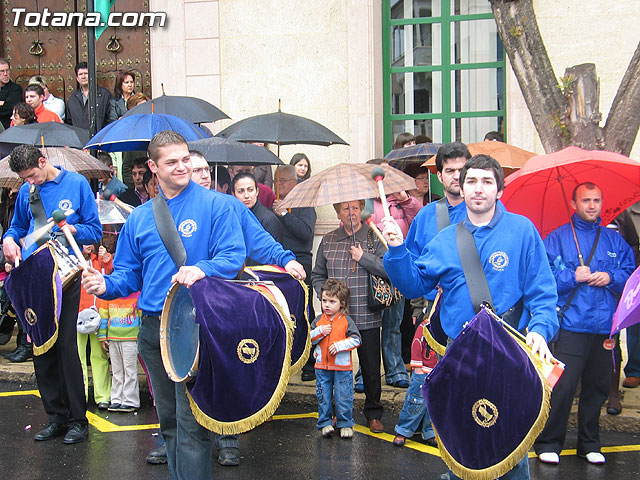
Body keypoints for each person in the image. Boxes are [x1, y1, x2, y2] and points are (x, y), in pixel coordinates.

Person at [81, 130, 246, 479]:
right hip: (153, 327)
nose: (182, 167)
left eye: (186, 159)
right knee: (168, 421)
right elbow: (128, 275)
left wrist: (202, 268)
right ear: (153, 167)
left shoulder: (217, 205)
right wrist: (105, 284)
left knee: (191, 424)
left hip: (197, 325)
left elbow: (233, 256)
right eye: (172, 162)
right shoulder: (140, 218)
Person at [382, 154, 559, 480]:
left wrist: (540, 329)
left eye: (487, 182)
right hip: (458, 355)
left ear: (499, 190)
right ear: (462, 189)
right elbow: (412, 284)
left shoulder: (522, 231)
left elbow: (542, 293)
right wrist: (396, 251)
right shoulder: (446, 240)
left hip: (509, 355)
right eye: (472, 181)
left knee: (510, 445)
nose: (479, 189)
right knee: (464, 439)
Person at [3, 144, 102, 444]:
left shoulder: (77, 184)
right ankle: (55, 417)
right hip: (36, 278)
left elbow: (94, 231)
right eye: (24, 178)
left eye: (32, 175)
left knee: (67, 349)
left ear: (43, 162)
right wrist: (8, 239)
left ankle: (77, 420)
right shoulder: (26, 192)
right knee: (40, 348)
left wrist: (69, 228)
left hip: (67, 276)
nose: (29, 182)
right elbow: (17, 227)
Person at [534, 182, 634, 466]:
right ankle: (549, 442)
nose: (592, 206)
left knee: (597, 388)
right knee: (562, 388)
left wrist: (611, 278)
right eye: (586, 200)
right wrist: (571, 277)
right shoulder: (556, 238)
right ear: (573, 204)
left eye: (597, 200)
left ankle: (590, 443)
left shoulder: (615, 240)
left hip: (605, 329)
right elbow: (543, 278)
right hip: (571, 326)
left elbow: (630, 275)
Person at [311, 200, 388, 434]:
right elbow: (317, 274)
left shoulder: (374, 237)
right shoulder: (328, 240)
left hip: (367, 314)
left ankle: (373, 413)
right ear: (337, 213)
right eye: (346, 208)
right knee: (334, 369)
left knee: (371, 368)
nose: (352, 213)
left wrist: (363, 257)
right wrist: (324, 297)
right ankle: (337, 413)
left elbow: (389, 269)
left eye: (356, 208)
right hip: (335, 320)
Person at [404, 142, 471, 332]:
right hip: (437, 309)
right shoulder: (425, 216)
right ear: (439, 176)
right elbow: (413, 265)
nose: (457, 176)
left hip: (479, 310)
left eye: (462, 169)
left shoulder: (486, 211)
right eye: (450, 170)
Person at [272, 165, 317, 381]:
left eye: (283, 181)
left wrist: (283, 214)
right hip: (278, 263)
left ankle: (310, 362)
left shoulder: (304, 202)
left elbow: (306, 233)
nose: (279, 186)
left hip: (300, 260)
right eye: (276, 182)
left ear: (295, 182)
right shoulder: (273, 204)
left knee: (303, 312)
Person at [310, 278, 361, 439]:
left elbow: (356, 340)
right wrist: (320, 331)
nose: (327, 305)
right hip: (321, 367)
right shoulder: (318, 321)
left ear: (342, 303)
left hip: (342, 368)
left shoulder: (346, 321)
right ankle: (324, 423)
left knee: (344, 396)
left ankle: (345, 423)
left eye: (332, 301)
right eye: (324, 300)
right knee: (323, 396)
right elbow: (309, 339)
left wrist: (340, 346)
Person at [77, 243, 113, 411]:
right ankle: (80, 395)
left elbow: (111, 273)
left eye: (90, 241)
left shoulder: (98, 259)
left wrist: (106, 259)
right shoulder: (72, 259)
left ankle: (103, 395)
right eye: (84, 242)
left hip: (97, 314)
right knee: (78, 358)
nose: (88, 246)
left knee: (99, 357)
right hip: (76, 315)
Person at [392, 316, 438, 448]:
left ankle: (430, 432)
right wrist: (417, 366)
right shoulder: (424, 326)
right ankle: (404, 429)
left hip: (439, 371)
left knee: (434, 404)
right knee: (415, 401)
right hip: (423, 370)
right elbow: (416, 344)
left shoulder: (448, 327)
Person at [98, 290, 141, 413]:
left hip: (131, 338)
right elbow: (104, 315)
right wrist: (102, 336)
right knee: (116, 370)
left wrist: (140, 335)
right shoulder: (109, 295)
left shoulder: (137, 295)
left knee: (129, 369)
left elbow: (141, 317)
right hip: (113, 338)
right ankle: (116, 399)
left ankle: (130, 400)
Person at [231, 171, 282, 246]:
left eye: (250, 190)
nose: (246, 195)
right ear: (233, 194)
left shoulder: (269, 219)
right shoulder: (231, 216)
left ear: (257, 191)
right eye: (240, 191)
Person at [66, 62, 112, 130]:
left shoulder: (104, 95)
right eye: (80, 74)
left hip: (99, 138)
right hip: (79, 138)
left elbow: (110, 118)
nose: (83, 76)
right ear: (77, 78)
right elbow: (69, 122)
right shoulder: (73, 99)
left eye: (86, 73)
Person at [0, 58, 23, 129]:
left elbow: (12, 108)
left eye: (7, 70)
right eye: (2, 71)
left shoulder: (15, 89)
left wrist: (5, 105)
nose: (5, 74)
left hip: (8, 129)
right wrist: (3, 103)